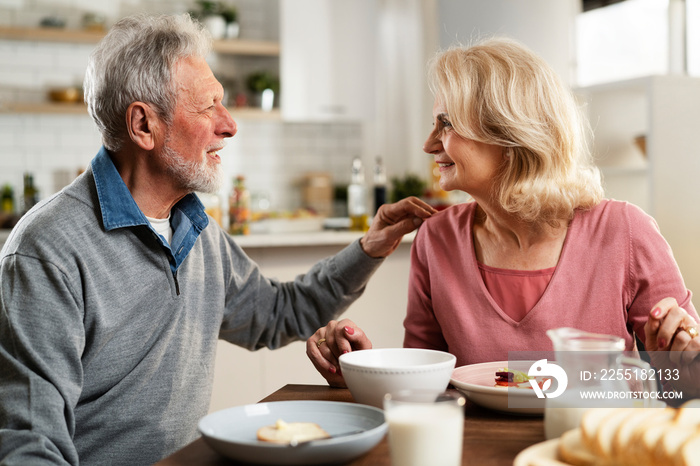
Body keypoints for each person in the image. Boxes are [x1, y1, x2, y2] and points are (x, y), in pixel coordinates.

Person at [0, 14, 436, 466]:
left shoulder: (196, 228)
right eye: (208, 107)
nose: (229, 125)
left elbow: (278, 313)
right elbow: (30, 446)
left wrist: (371, 247)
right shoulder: (46, 252)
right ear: (144, 126)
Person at [308, 37, 700, 396]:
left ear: (510, 134)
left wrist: (680, 357)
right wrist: (356, 369)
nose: (429, 144)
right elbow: (427, 385)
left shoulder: (625, 232)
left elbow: (688, 381)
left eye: (446, 123)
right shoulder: (437, 239)